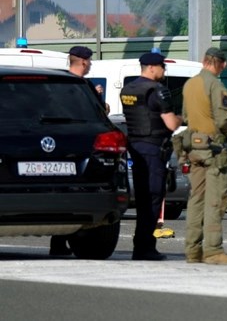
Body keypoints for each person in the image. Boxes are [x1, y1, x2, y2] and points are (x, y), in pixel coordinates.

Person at [182, 47, 227, 265]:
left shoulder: (190, 85)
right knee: (216, 200)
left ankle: (192, 251)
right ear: (219, 63)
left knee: (196, 199)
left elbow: (186, 116)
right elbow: (222, 120)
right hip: (214, 149)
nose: (224, 67)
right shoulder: (216, 85)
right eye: (224, 63)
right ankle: (213, 250)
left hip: (194, 147)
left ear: (203, 60)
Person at [121, 52, 182, 260]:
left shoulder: (128, 89)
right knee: (154, 196)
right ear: (152, 68)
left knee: (142, 198)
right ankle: (145, 247)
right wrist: (182, 117)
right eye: (162, 67)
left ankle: (141, 244)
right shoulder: (157, 91)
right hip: (154, 148)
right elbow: (172, 124)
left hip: (135, 147)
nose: (164, 71)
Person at [50, 46, 109, 256]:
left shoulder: (59, 84)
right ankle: (61, 242)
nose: (91, 64)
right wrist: (98, 99)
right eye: (90, 61)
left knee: (62, 194)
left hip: (61, 144)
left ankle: (57, 243)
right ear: (83, 62)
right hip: (78, 145)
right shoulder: (81, 86)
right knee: (74, 196)